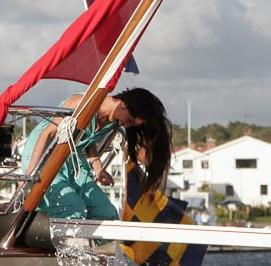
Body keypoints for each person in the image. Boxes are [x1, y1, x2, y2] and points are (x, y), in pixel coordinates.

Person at [21, 88, 171, 220]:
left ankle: (90, 250)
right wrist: (29, 176)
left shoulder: (114, 121)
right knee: (72, 208)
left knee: (106, 213)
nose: (127, 125)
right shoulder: (82, 103)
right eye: (130, 120)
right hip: (42, 155)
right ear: (124, 105)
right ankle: (55, 247)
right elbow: (47, 134)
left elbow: (86, 136)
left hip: (71, 158)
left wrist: (97, 167)